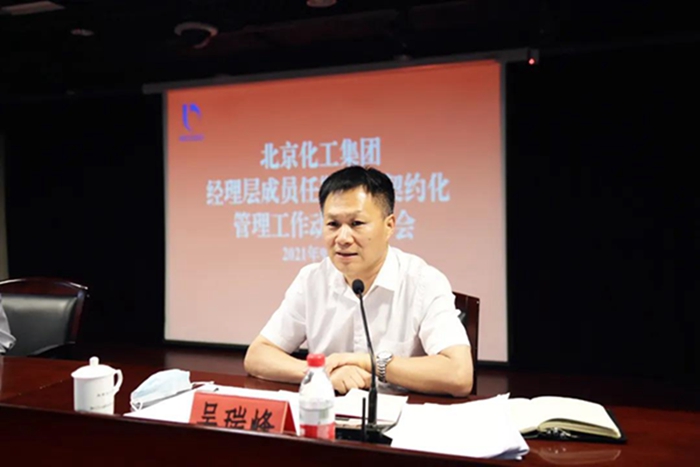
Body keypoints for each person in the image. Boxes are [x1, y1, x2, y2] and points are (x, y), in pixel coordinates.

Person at [244, 166, 472, 396]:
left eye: (357, 224)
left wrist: (370, 363)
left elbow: (459, 374)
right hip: (329, 412)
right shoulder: (311, 280)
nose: (343, 238)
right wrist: (320, 372)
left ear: (389, 226)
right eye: (333, 224)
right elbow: (258, 355)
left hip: (401, 414)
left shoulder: (423, 282)